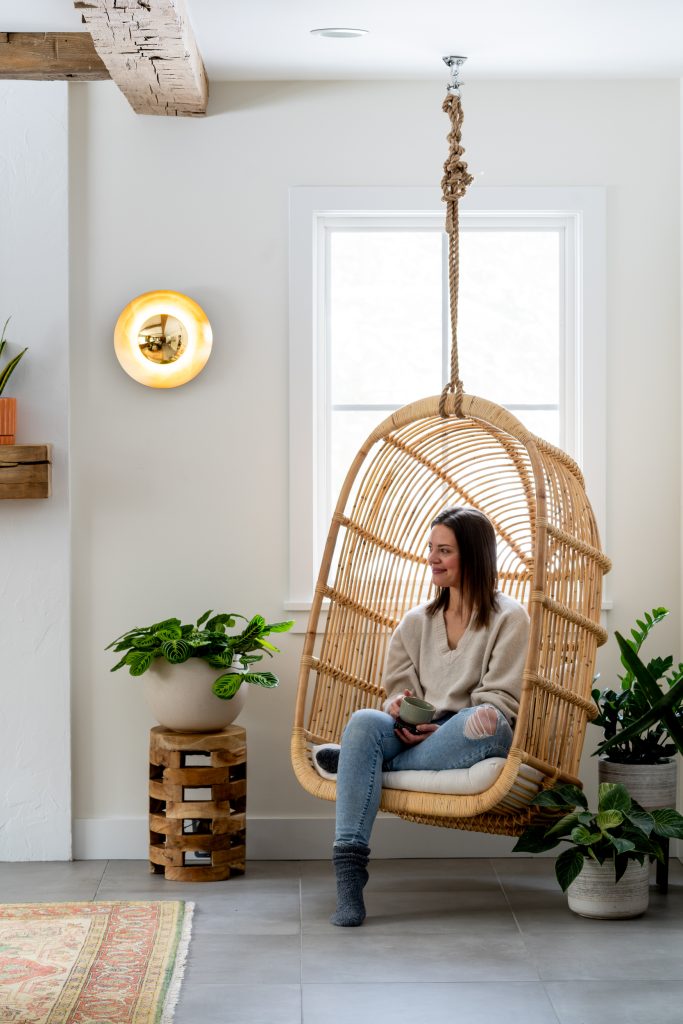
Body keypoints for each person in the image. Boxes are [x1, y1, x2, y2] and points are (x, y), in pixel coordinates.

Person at [315, 506, 530, 927]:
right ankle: (349, 877)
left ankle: (362, 761)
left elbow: (501, 701)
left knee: (484, 721)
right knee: (363, 721)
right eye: (430, 548)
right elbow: (396, 691)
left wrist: (443, 728)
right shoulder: (415, 622)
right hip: (413, 731)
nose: (431, 557)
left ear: (474, 557)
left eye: (444, 550)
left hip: (469, 731)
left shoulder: (510, 618)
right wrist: (398, 707)